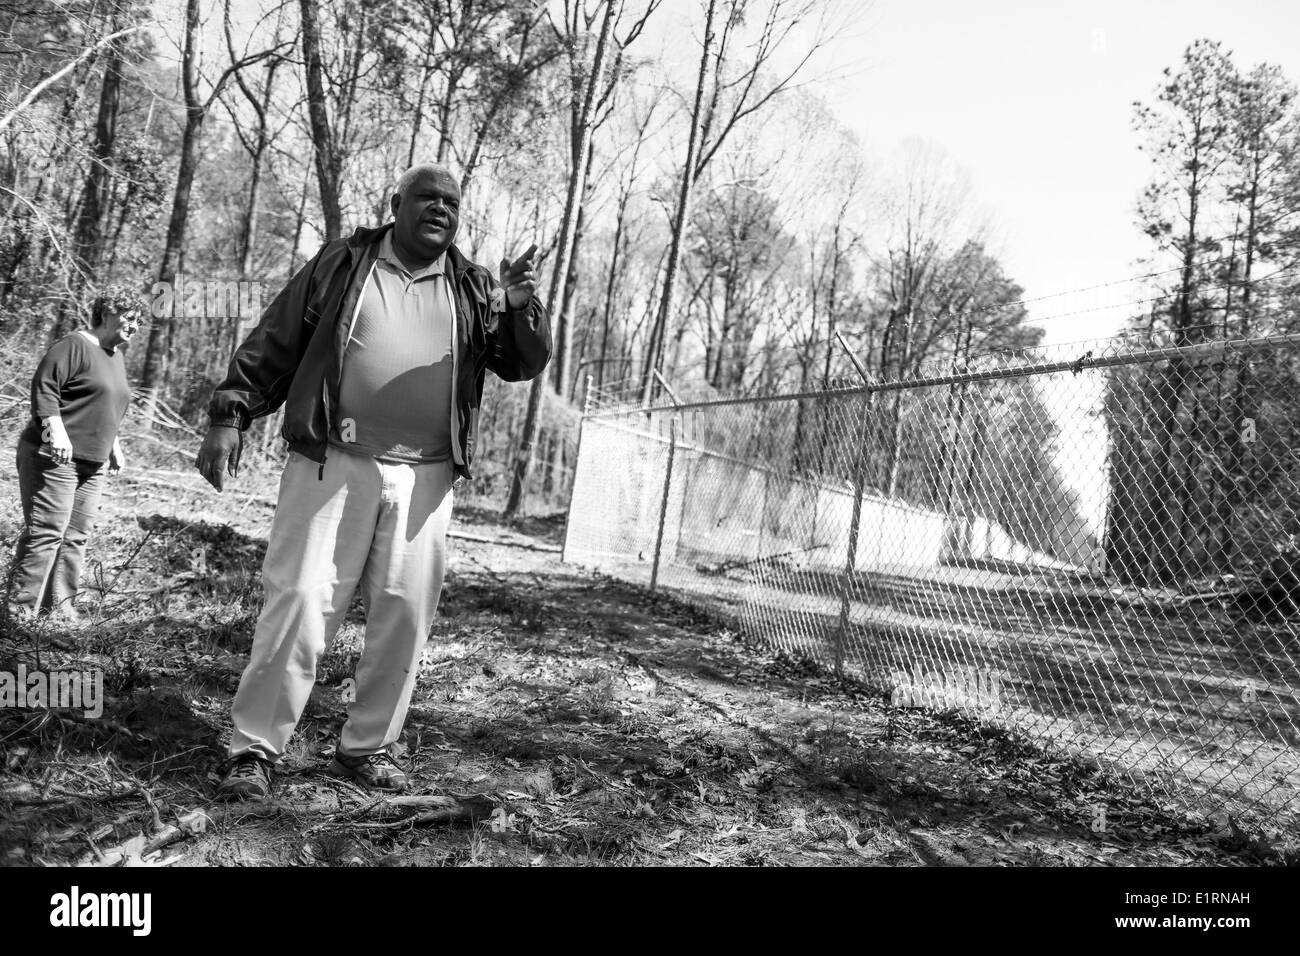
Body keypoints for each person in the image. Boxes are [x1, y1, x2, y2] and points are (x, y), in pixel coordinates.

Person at [196, 163, 551, 800]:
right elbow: (275, 340)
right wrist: (231, 412)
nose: (440, 209)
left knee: (404, 617)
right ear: (397, 204)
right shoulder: (345, 262)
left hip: (427, 479)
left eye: (451, 202)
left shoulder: (472, 287)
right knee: (301, 600)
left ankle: (370, 747)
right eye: (426, 198)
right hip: (332, 462)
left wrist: (521, 308)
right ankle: (254, 748)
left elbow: (520, 363)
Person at [10, 289, 141, 622]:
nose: (135, 326)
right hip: (53, 457)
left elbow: (110, 405)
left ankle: (60, 611)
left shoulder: (115, 356)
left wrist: (114, 445)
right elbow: (46, 387)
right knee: (47, 533)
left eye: (140, 320)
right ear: (109, 311)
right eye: (130, 317)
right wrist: (55, 429)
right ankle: (19, 613)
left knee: (75, 537)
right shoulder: (74, 345)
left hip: (92, 464)